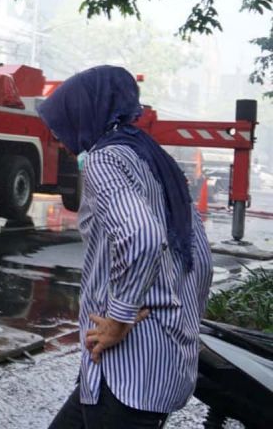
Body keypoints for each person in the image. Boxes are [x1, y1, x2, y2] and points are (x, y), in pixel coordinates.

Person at [40, 66, 213, 428]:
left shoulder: (104, 160)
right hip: (157, 361)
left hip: (125, 367)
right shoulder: (154, 158)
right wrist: (180, 320)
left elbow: (142, 238)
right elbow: (200, 258)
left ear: (85, 112)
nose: (55, 135)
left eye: (61, 120)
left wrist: (118, 318)